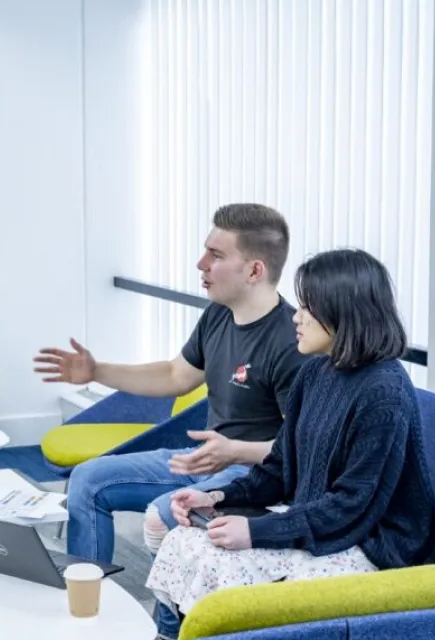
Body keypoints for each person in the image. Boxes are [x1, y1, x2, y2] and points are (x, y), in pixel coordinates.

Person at [146, 248, 435, 636]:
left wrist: (257, 532)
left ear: (342, 312)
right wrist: (218, 499)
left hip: (374, 544)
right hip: (324, 523)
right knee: (186, 542)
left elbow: (353, 505)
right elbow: (279, 468)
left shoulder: (384, 393)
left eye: (307, 307)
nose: (295, 318)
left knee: (228, 569)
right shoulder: (315, 373)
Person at [35, 203, 310, 570]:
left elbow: (303, 447)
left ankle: (170, 626)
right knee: (87, 478)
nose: (201, 264)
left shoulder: (292, 344)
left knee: (164, 512)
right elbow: (175, 376)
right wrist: (96, 371)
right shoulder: (218, 314)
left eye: (215, 255)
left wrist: (235, 450)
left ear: (254, 270)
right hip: (203, 460)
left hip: (252, 473)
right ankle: (86, 601)